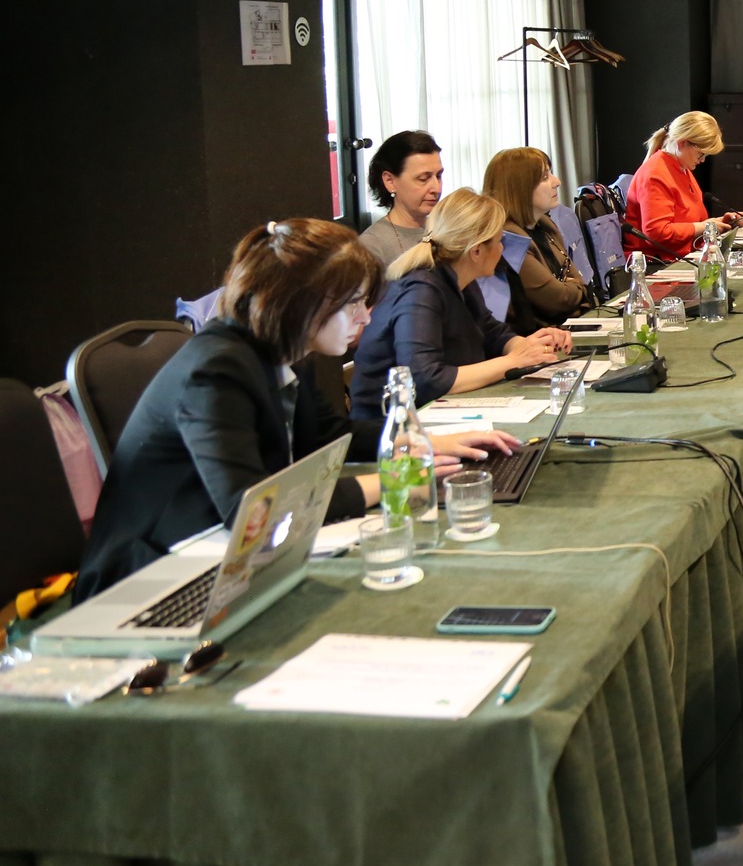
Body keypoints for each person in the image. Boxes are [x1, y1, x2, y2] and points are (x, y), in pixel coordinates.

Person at [74, 219, 512, 598]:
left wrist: (428, 442)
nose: (364, 318)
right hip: (152, 578)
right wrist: (392, 481)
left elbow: (330, 434)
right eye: (354, 304)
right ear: (301, 303)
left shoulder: (281, 352)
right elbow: (252, 511)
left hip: (219, 552)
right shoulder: (215, 371)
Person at [347, 189, 574, 423]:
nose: (502, 249)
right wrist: (513, 361)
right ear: (476, 251)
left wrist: (530, 346)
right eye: (498, 242)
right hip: (390, 430)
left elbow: (493, 333)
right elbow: (425, 379)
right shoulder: (420, 291)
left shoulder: (461, 280)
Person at [482, 146, 588, 332]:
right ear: (519, 188)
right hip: (533, 339)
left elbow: (578, 281)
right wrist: (576, 288)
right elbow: (558, 300)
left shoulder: (546, 226)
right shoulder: (508, 240)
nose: (557, 182)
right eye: (545, 177)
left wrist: (573, 286)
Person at [625, 111, 743, 259]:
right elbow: (657, 233)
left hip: (680, 255)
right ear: (682, 143)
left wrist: (718, 223)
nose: (702, 160)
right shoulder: (655, 174)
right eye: (701, 154)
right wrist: (705, 227)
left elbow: (689, 222)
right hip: (657, 262)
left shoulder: (680, 167)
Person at [359, 130, 443, 268]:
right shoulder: (372, 246)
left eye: (438, 176)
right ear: (390, 181)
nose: (437, 188)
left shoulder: (445, 231)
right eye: (423, 179)